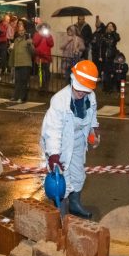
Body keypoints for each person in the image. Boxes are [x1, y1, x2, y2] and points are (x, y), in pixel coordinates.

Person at [40, 60, 100, 219]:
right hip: (60, 143)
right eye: (79, 89)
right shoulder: (59, 100)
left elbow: (92, 115)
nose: (82, 93)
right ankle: (60, 210)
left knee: (78, 174)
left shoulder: (91, 97)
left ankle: (75, 204)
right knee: (62, 178)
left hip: (78, 139)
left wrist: (93, 131)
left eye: (85, 90)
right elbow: (52, 130)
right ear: (73, 80)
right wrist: (54, 154)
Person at [9, 20, 34, 102]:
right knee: (17, 81)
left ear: (25, 31)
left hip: (26, 64)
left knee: (23, 81)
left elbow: (33, 52)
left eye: (22, 30)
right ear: (18, 31)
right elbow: (13, 52)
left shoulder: (28, 40)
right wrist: (11, 63)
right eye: (20, 30)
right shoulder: (16, 40)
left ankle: (22, 97)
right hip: (17, 63)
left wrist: (30, 44)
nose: (21, 32)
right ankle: (16, 96)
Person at [99, 22, 120, 92]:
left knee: (113, 71)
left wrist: (113, 32)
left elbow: (117, 39)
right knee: (105, 71)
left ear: (114, 27)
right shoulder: (104, 35)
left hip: (113, 55)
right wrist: (100, 56)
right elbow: (101, 46)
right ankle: (105, 87)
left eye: (111, 26)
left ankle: (111, 87)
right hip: (105, 56)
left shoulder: (115, 35)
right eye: (108, 26)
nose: (110, 27)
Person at [32, 23, 54, 93]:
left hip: (46, 57)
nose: (43, 29)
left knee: (47, 72)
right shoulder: (36, 34)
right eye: (42, 27)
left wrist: (48, 36)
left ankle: (46, 86)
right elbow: (35, 43)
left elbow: (51, 44)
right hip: (39, 57)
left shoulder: (49, 35)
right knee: (40, 72)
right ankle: (41, 86)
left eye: (45, 27)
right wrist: (40, 36)